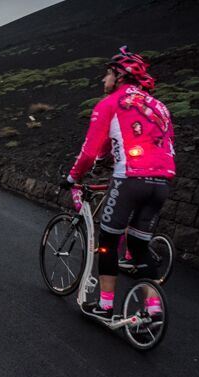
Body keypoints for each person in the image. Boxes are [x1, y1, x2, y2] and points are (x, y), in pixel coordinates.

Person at [61, 46, 175, 320]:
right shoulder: (159, 105)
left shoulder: (109, 104)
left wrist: (73, 177)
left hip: (130, 180)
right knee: (137, 246)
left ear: (119, 75)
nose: (103, 80)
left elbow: (89, 151)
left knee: (108, 242)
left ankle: (106, 304)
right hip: (162, 182)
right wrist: (110, 156)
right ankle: (153, 309)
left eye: (107, 74)